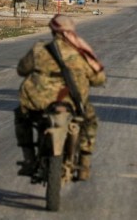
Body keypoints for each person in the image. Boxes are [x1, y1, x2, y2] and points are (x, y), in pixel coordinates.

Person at [14, 15, 106, 181]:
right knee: (90, 121)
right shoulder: (80, 52)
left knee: (22, 116)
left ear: (52, 31)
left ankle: (29, 158)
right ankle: (84, 165)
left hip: (38, 102)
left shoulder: (39, 50)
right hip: (72, 103)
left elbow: (22, 69)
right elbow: (98, 79)